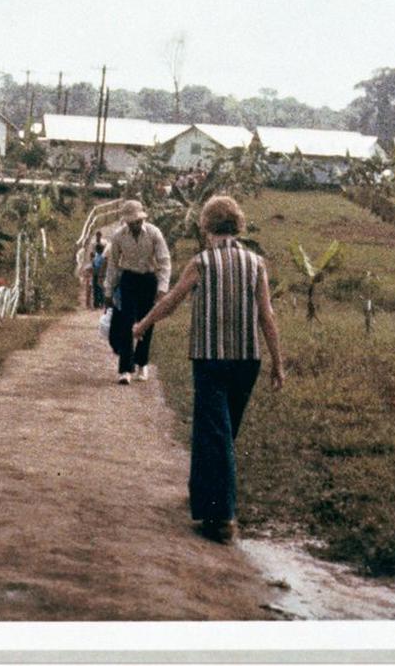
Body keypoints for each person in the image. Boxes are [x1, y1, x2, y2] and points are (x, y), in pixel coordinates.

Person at [132, 194, 285, 543]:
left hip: (211, 359)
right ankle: (205, 497)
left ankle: (222, 516)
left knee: (214, 435)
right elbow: (267, 316)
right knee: (223, 434)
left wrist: (142, 325)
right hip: (247, 361)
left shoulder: (201, 262)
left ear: (205, 226)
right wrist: (278, 362)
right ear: (238, 225)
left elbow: (170, 302)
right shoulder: (256, 263)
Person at [103, 199, 171, 384]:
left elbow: (164, 262)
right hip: (129, 279)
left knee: (146, 322)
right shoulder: (118, 236)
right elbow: (113, 266)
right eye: (132, 222)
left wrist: (162, 289)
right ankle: (125, 369)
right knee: (126, 323)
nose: (135, 225)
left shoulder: (154, 233)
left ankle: (142, 363)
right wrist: (109, 291)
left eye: (138, 221)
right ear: (126, 221)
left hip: (148, 280)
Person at [89, 231, 107, 309]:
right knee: (100, 288)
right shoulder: (102, 257)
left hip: (97, 273)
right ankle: (100, 303)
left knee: (97, 288)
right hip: (101, 274)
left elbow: (93, 262)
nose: (98, 236)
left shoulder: (104, 242)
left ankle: (98, 303)